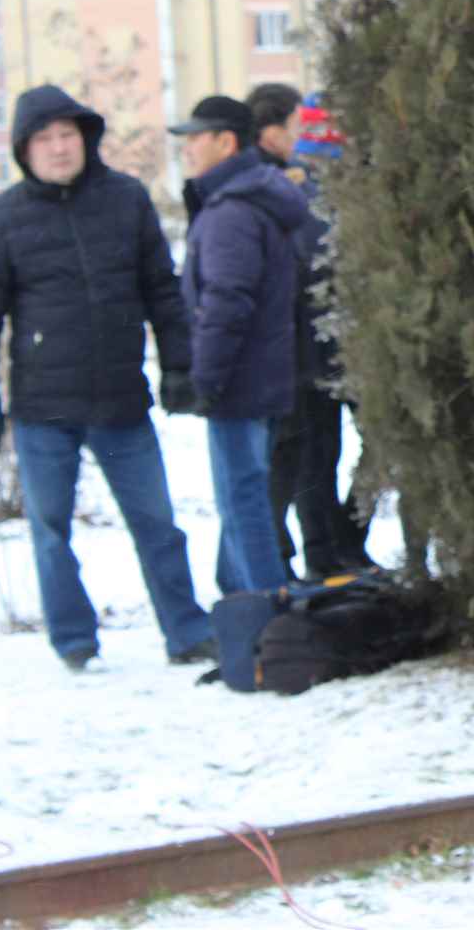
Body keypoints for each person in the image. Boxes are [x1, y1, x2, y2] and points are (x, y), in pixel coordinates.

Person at [0, 86, 215, 671]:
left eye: (67, 135)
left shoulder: (126, 200)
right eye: (44, 139)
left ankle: (188, 631)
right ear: (24, 150)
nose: (59, 148)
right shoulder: (0, 221)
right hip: (43, 409)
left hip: (121, 401)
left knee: (157, 524)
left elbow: (162, 290)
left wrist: (179, 365)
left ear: (85, 139)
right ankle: (74, 640)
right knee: (50, 530)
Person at [171, 94, 310, 595]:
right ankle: (241, 603)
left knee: (242, 500)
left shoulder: (231, 211)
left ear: (226, 142)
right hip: (263, 375)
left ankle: (263, 613)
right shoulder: (254, 196)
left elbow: (227, 302)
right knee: (246, 495)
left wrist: (205, 380)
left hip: (238, 380)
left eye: (195, 138)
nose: (187, 149)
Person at [246, 83, 367, 579]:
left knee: (323, 455)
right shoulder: (293, 191)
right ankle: (315, 555)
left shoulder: (342, 189)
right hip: (306, 348)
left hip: (335, 347)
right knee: (308, 457)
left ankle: (335, 547)